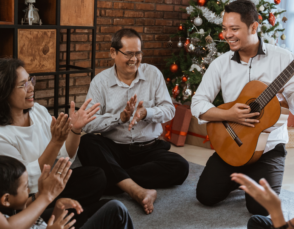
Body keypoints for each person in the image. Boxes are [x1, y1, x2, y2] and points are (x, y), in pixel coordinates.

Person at [191, 0, 294, 215]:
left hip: (268, 149)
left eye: (234, 29)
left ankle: (251, 179)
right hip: (232, 141)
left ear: (254, 27)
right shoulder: (220, 63)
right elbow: (198, 103)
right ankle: (241, 179)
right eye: (225, 28)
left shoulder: (283, 58)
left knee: (260, 210)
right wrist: (228, 114)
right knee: (206, 196)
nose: (227, 34)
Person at [78, 28, 189, 215]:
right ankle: (136, 189)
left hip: (149, 149)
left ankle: (115, 178)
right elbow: (88, 123)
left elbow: (170, 110)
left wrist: (147, 113)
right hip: (115, 148)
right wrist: (119, 118)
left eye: (138, 53)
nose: (134, 59)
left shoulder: (153, 74)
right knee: (88, 143)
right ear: (113, 52)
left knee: (180, 167)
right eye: (128, 54)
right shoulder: (100, 82)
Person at [0, 58, 106, 227]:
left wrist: (75, 129)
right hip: (24, 198)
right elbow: (26, 181)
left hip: (49, 185)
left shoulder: (38, 111)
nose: (31, 88)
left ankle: (61, 213)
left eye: (30, 80)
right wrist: (55, 142)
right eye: (22, 85)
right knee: (100, 205)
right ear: (4, 93)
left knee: (96, 177)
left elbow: (66, 155)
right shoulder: (2, 135)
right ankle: (57, 214)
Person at [0, 156, 134, 229]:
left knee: (104, 204)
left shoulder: (13, 212)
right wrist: (46, 196)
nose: (29, 190)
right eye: (25, 187)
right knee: (116, 209)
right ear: (6, 199)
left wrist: (55, 207)